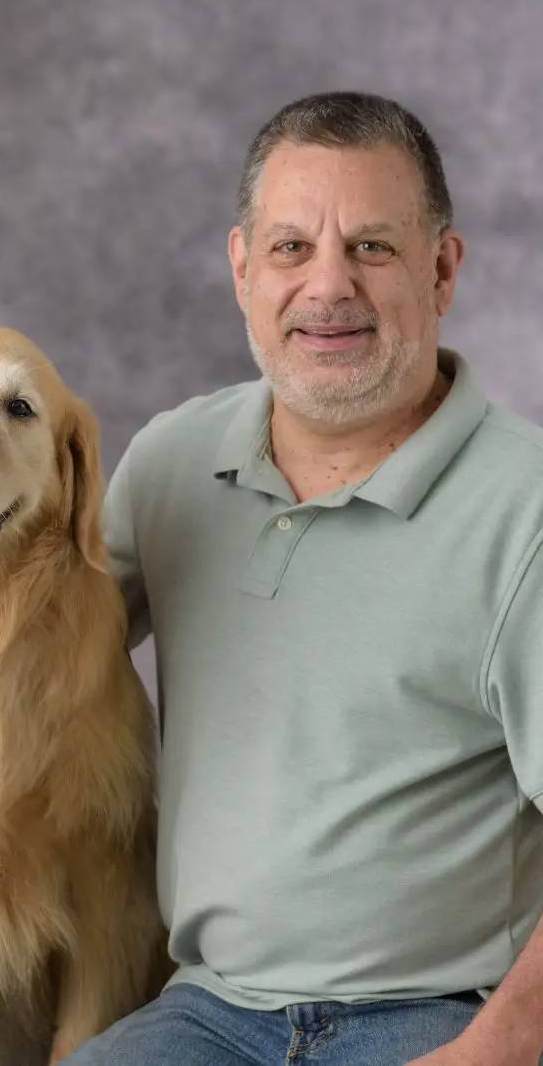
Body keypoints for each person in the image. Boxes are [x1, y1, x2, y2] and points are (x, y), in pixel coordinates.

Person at [59, 92, 543, 1065]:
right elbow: (14, 660)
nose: (329, 288)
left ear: (442, 268)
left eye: (371, 247)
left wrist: (495, 1050)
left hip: (434, 1018)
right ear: (242, 270)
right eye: (290, 249)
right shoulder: (172, 463)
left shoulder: (524, 508)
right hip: (205, 1012)